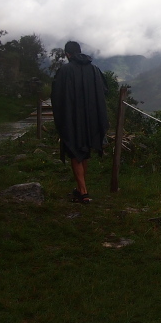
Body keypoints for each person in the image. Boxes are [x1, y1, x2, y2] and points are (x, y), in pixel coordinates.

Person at [51, 40, 109, 204]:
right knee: (84, 152)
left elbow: (57, 96)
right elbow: (104, 91)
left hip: (72, 119)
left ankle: (83, 192)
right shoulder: (94, 69)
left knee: (75, 151)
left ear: (67, 54)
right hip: (91, 119)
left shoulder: (64, 70)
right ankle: (80, 188)